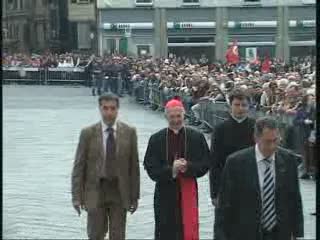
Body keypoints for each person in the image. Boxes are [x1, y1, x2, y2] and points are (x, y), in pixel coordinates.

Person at [217, 117, 304, 240]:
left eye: (276, 140)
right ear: (256, 138)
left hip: (280, 231)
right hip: (246, 231)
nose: (273, 146)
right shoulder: (236, 162)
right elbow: (224, 204)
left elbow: (295, 198)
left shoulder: (288, 159)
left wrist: (298, 233)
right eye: (268, 141)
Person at [71, 93, 140, 240]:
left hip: (119, 191)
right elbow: (79, 166)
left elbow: (133, 167)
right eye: (105, 108)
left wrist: (135, 197)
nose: (109, 112)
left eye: (113, 108)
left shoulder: (129, 132)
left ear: (118, 109)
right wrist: (76, 196)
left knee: (118, 235)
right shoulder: (87, 133)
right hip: (95, 190)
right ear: (100, 109)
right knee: (95, 234)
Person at [143, 97, 210, 240]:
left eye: (178, 116)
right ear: (166, 116)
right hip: (164, 192)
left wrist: (188, 167)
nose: (175, 120)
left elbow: (205, 163)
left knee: (188, 228)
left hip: (188, 188)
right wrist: (171, 170)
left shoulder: (196, 137)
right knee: (165, 228)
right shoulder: (156, 139)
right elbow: (150, 167)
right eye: (172, 116)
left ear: (184, 115)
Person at [209, 88, 256, 239]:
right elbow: (214, 163)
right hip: (226, 185)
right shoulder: (220, 129)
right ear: (230, 106)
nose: (240, 108)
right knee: (225, 228)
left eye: (244, 105)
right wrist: (214, 193)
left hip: (251, 185)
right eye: (237, 104)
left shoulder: (256, 128)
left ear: (248, 106)